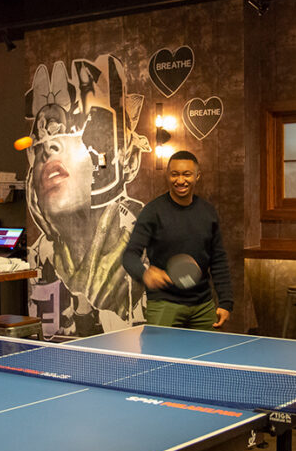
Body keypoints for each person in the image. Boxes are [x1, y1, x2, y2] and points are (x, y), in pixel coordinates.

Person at [24, 55, 148, 336]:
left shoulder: (142, 236)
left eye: (73, 135)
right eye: (39, 144)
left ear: (128, 161)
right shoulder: (39, 257)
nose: (48, 148)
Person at [121, 151, 233, 330]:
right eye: (175, 174)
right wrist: (145, 274)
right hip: (164, 304)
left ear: (197, 176)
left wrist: (226, 302)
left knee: (208, 349)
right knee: (159, 350)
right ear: (168, 175)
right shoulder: (153, 212)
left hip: (203, 305)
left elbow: (218, 260)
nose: (180, 180)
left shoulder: (208, 212)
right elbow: (129, 255)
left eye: (186, 174)